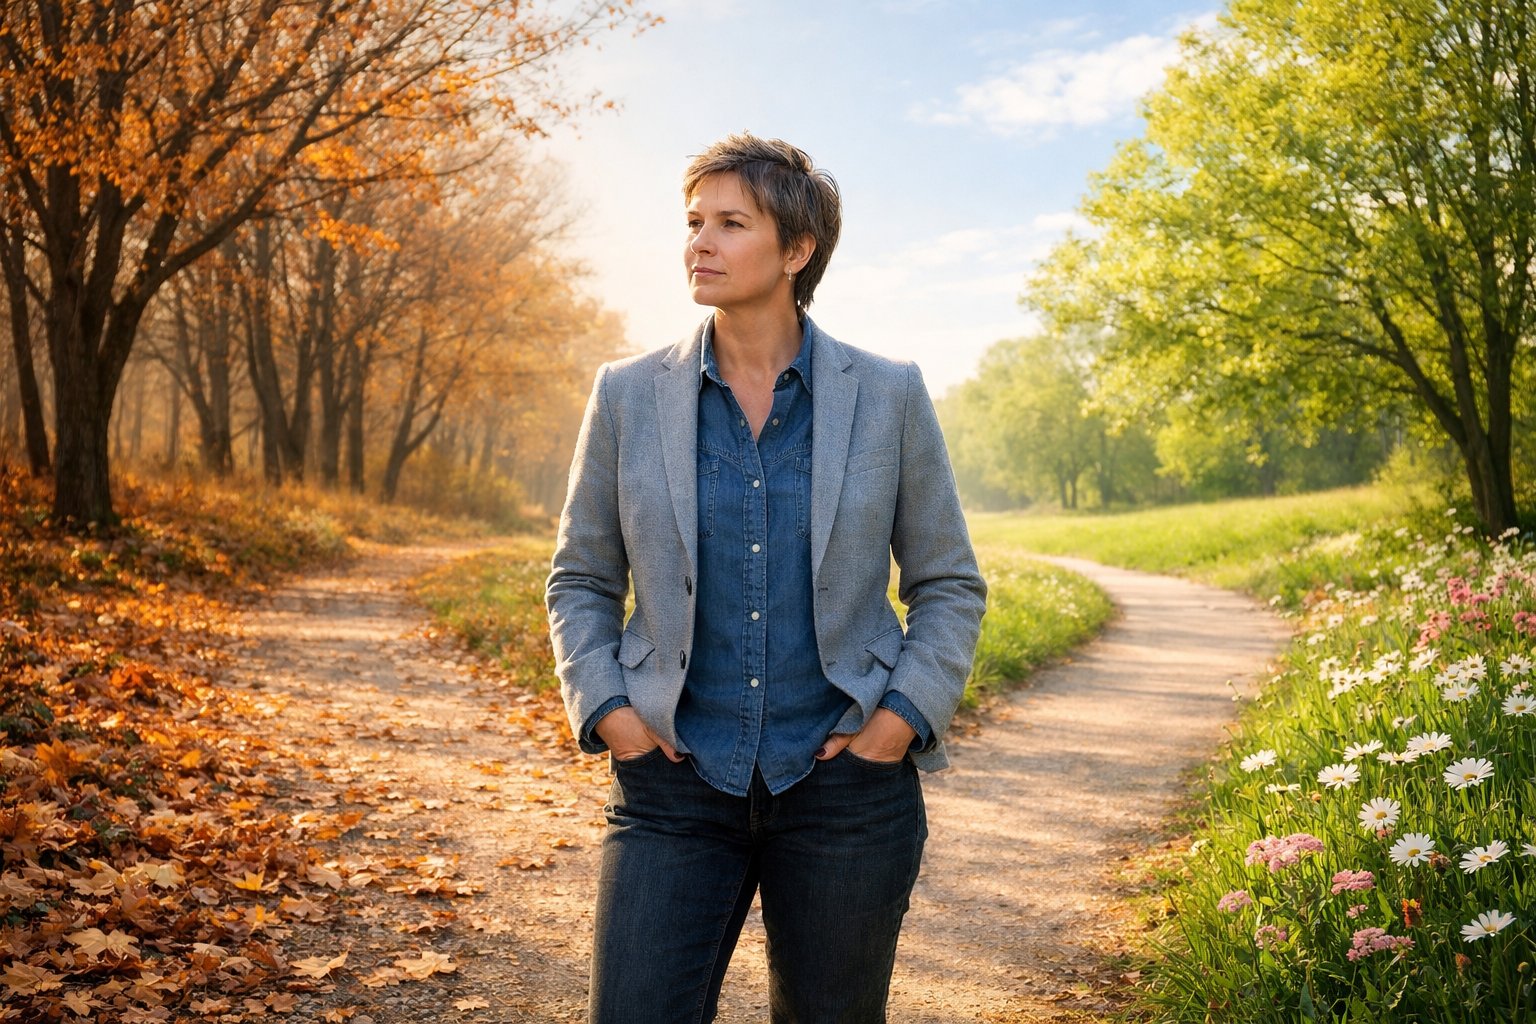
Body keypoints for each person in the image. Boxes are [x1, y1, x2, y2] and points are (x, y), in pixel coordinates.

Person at [546, 132, 987, 1024]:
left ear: (797, 250)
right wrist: (612, 714)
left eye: (730, 223)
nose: (698, 243)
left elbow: (947, 581)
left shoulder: (889, 393)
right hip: (671, 785)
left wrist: (895, 726)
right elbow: (581, 577)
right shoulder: (627, 393)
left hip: (848, 795)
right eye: (693, 221)